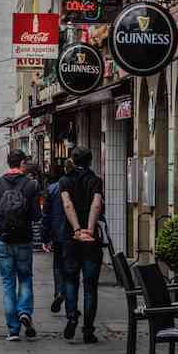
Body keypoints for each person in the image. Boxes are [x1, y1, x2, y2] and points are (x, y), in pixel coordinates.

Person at [0, 149, 41, 341]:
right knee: (25, 278)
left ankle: (13, 330)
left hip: (3, 240)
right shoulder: (32, 185)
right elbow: (35, 216)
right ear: (22, 163)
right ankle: (24, 311)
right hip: (24, 240)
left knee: (8, 283)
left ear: (9, 163)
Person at [59, 146, 104, 343]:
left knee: (70, 281)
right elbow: (96, 204)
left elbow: (67, 204)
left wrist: (77, 230)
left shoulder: (64, 181)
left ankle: (71, 316)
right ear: (90, 161)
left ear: (73, 160)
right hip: (91, 242)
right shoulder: (96, 180)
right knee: (90, 286)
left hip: (71, 239)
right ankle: (88, 330)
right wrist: (89, 231)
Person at [42, 169, 68, 314]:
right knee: (72, 268)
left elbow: (46, 215)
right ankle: (71, 302)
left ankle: (59, 292)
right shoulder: (76, 186)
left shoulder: (52, 189)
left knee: (58, 266)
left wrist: (45, 238)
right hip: (76, 235)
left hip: (58, 234)